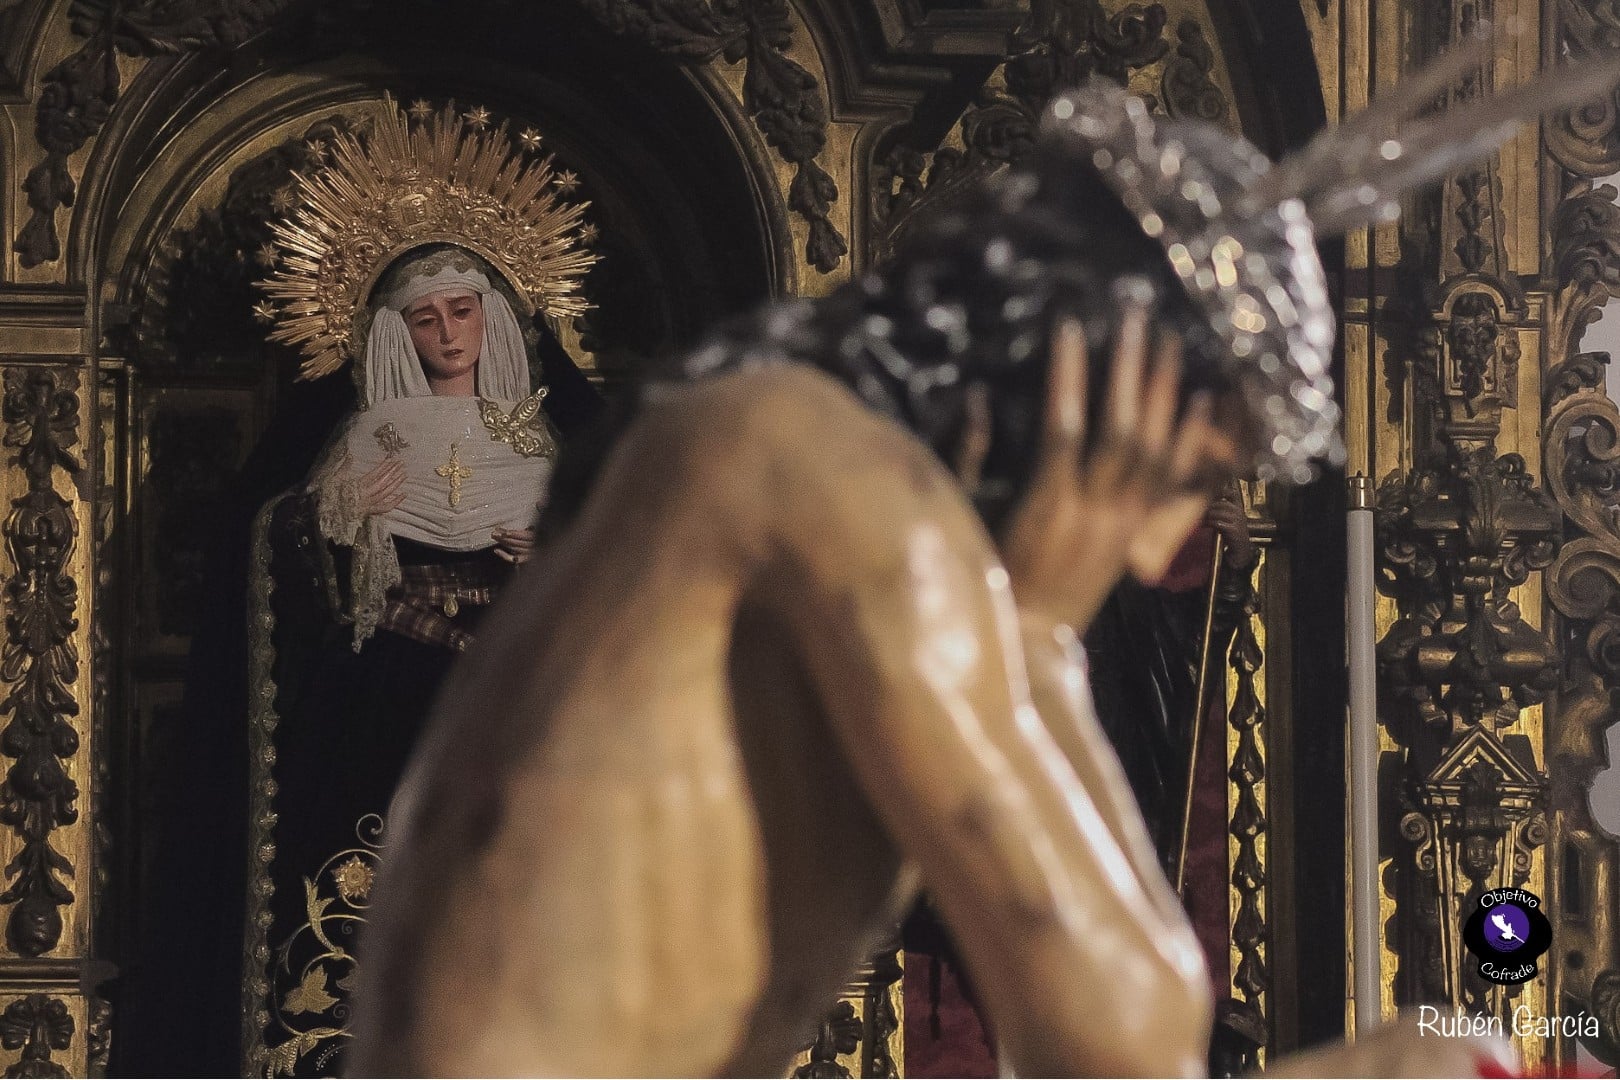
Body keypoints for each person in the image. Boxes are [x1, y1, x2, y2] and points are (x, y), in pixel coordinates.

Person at [347, 69, 1586, 1076]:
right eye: (1180, 473)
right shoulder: (838, 488)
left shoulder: (758, 440)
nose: (1153, 546)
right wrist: (1037, 635)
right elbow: (1123, 1035)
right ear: (1095, 380)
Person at [241, 99, 601, 1076]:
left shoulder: (547, 437)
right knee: (378, 876)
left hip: (517, 681)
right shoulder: (367, 435)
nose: (449, 332)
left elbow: (623, 570)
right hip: (394, 677)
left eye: (463, 309)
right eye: (426, 316)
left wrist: (555, 555)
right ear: (397, 332)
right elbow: (282, 563)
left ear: (494, 316)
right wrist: (336, 518)